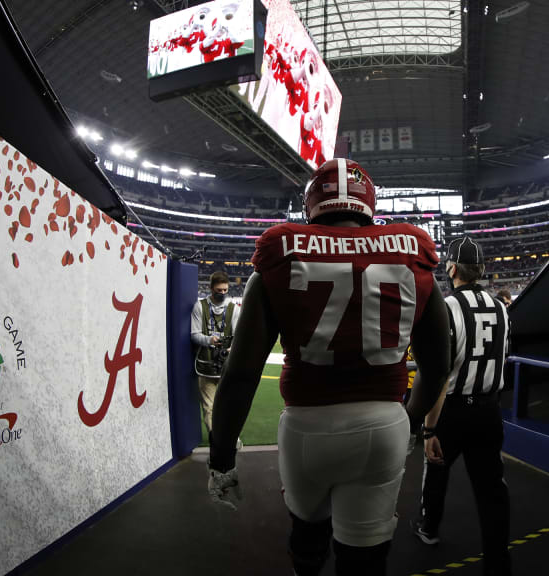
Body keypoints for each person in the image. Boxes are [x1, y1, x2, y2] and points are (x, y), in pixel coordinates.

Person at [206, 158, 451, 576]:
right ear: (369, 204)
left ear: (311, 205)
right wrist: (410, 424)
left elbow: (242, 373)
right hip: (383, 422)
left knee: (307, 539)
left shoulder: (280, 255)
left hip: (307, 425)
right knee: (366, 559)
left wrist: (222, 456)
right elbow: (438, 363)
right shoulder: (411, 253)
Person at [412, 236, 512, 576]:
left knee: (436, 467)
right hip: (489, 410)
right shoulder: (502, 306)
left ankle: (429, 527)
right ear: (481, 269)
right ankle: (498, 561)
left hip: (454, 410)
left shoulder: (447, 306)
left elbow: (440, 374)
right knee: (492, 489)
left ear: (451, 268)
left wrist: (429, 429)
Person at [190, 270, 241, 435]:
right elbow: (194, 334)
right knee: (209, 408)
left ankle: (229, 439)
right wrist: (209, 340)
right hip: (206, 367)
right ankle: (216, 443)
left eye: (225, 290)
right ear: (211, 288)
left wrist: (231, 348)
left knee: (229, 408)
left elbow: (239, 336)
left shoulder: (233, 309)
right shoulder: (200, 306)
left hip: (227, 367)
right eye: (219, 291)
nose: (222, 293)